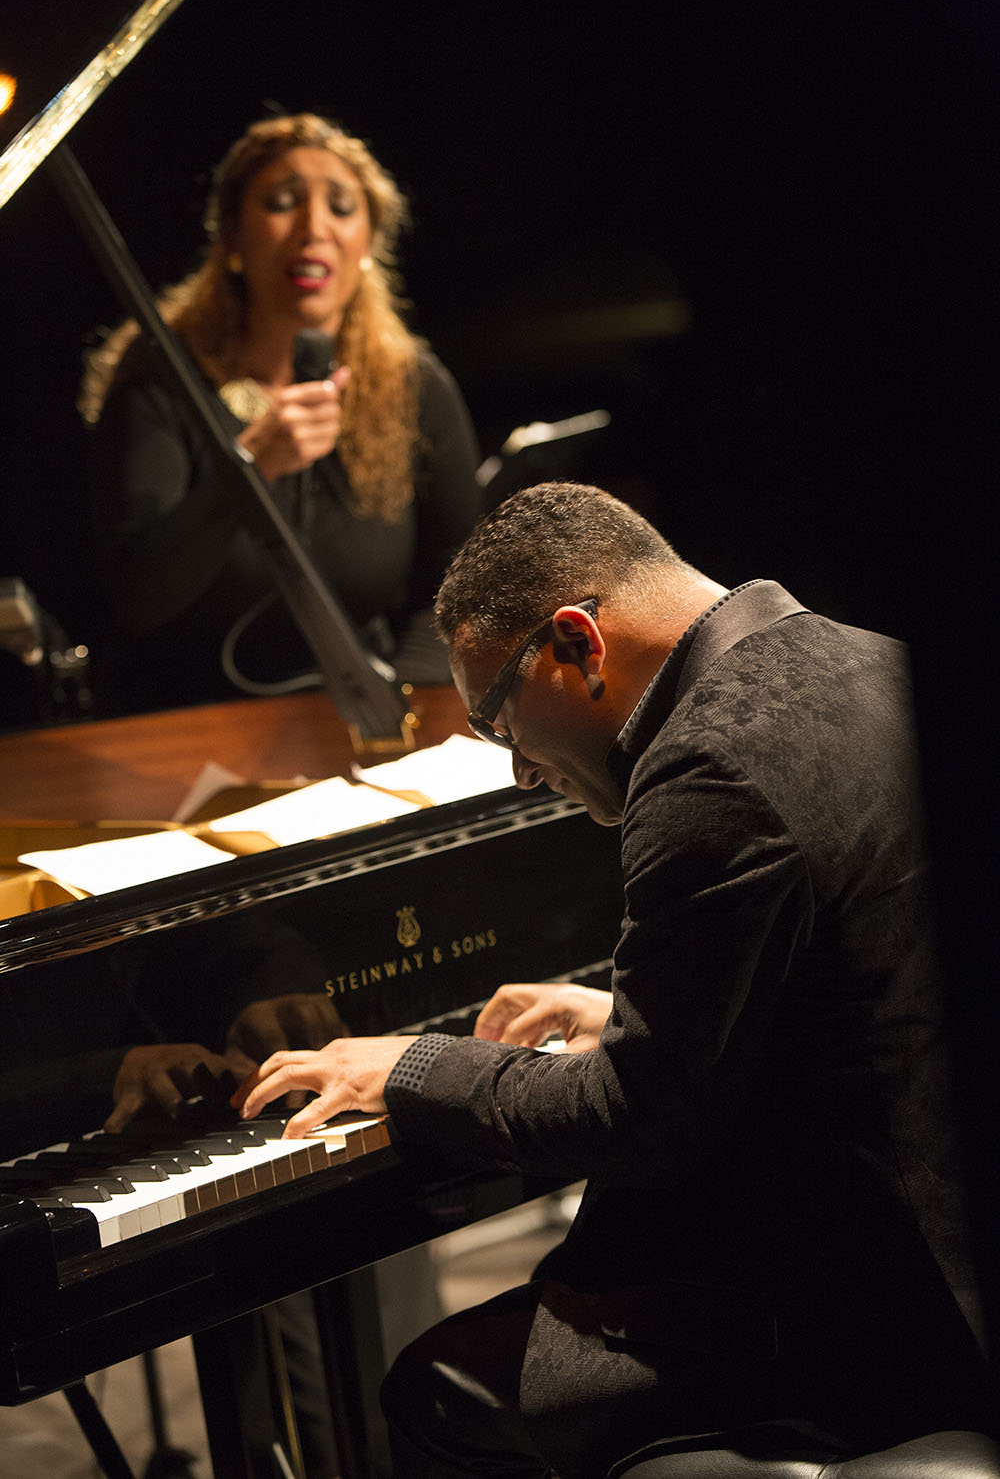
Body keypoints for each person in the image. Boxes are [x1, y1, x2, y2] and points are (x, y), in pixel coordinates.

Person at [233, 482, 993, 1478]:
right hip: (940, 1237)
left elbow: (639, 1122)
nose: (516, 772)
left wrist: (416, 1069)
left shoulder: (706, 768)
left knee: (438, 1392)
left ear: (576, 642)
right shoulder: (874, 660)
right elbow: (874, 978)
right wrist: (642, 1015)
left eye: (497, 719)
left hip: (863, 1304)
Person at [81, 113, 481, 712]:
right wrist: (249, 468)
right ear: (234, 241)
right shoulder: (160, 377)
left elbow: (458, 591)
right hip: (184, 727)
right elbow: (138, 599)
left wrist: (406, 701)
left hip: (366, 719)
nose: (313, 227)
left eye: (341, 207)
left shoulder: (413, 385)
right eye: (282, 202)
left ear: (368, 246)